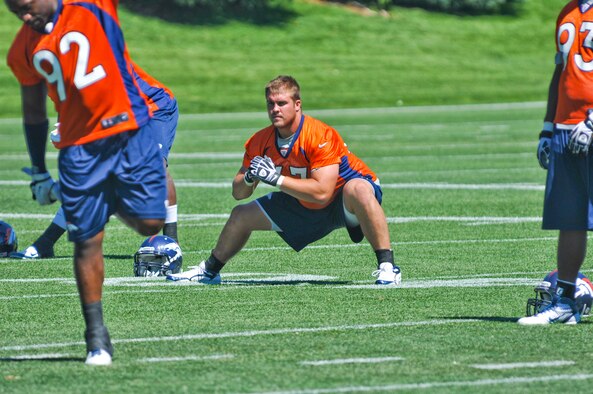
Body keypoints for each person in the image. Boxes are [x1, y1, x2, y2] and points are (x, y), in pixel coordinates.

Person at [5, 0, 169, 365]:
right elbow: (33, 111)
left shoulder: (93, 5)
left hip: (130, 131)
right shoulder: (23, 48)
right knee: (85, 242)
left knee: (150, 223)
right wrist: (38, 171)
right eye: (16, 13)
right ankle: (96, 338)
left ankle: (101, 198)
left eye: (28, 7)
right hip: (79, 149)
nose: (26, 17)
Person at [167, 75, 401, 286]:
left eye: (282, 103)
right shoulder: (261, 140)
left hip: (342, 198)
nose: (275, 109)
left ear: (297, 105)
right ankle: (209, 271)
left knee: (358, 188)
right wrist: (249, 177)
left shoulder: (319, 134)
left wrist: (276, 179)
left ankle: (388, 267)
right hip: (303, 202)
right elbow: (238, 192)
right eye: (271, 103)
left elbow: (323, 192)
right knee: (241, 215)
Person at [9, 63, 180, 259]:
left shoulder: (93, 64)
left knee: (155, 166)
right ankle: (46, 243)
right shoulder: (54, 77)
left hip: (152, 106)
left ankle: (172, 242)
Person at [519, 0, 593, 325]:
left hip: (588, 126)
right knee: (570, 218)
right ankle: (565, 302)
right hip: (565, 128)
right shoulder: (568, 11)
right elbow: (560, 71)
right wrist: (548, 127)